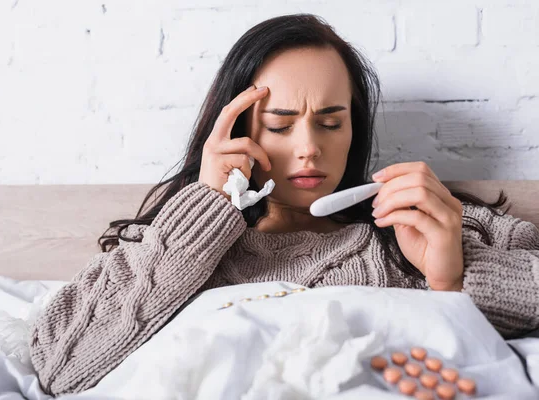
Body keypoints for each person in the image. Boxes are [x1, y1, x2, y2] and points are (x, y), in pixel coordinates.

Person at [29, 13, 539, 396]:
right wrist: (205, 210)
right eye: (279, 124)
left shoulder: (413, 224)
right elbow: (60, 365)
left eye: (332, 122)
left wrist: (450, 280)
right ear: (235, 130)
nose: (309, 147)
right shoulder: (169, 246)